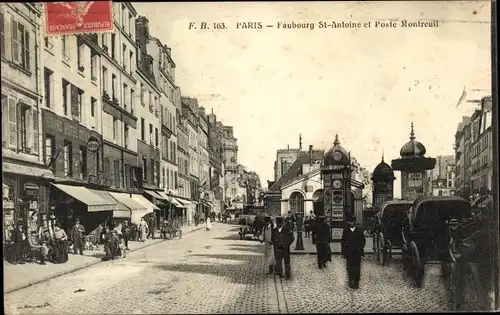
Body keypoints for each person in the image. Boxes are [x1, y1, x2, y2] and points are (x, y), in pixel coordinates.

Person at [341, 217, 366, 289]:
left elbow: (363, 241)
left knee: (357, 268)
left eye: (352, 222)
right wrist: (343, 252)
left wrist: (360, 248)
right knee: (349, 267)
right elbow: (343, 242)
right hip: (349, 252)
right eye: (349, 222)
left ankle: (356, 282)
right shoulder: (346, 231)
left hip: (357, 251)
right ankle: (350, 281)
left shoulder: (359, 231)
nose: (351, 223)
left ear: (354, 222)